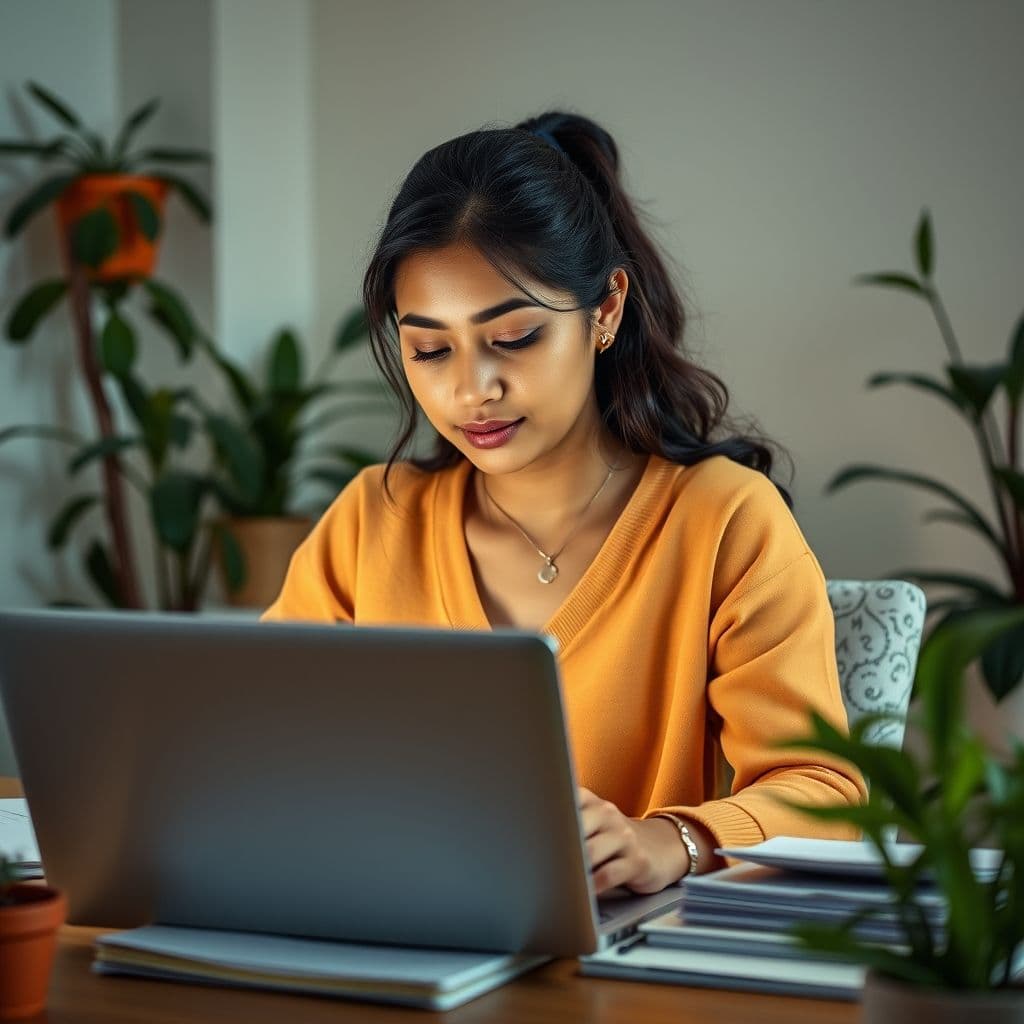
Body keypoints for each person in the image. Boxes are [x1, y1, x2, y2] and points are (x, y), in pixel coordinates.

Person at [262, 110, 867, 896]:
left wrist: (670, 839)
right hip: (395, 934)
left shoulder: (723, 520)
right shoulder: (373, 519)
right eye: (429, 349)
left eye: (513, 338)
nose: (471, 389)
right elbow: (259, 744)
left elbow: (828, 793)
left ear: (605, 309)